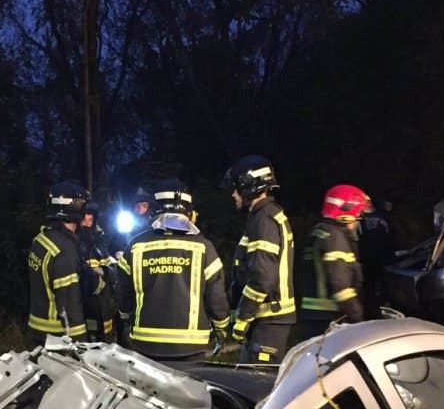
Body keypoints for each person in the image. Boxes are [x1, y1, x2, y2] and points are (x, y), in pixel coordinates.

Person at [114, 179, 230, 362]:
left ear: (155, 208)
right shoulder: (204, 247)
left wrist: (127, 318)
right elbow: (217, 297)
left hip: (146, 342)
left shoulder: (135, 246)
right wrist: (221, 328)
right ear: (189, 211)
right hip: (191, 345)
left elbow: (123, 294)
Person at [225, 155, 296, 363]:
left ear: (250, 185)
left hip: (268, 319)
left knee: (258, 387)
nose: (233, 194)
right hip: (269, 318)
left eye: (236, 187)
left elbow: (262, 277)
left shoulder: (263, 219)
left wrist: (243, 317)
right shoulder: (265, 215)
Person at [296, 184, 371, 343]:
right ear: (346, 211)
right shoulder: (335, 237)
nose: (358, 220)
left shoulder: (321, 231)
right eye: (358, 214)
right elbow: (340, 286)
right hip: (330, 319)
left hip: (316, 318)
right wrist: (359, 319)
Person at [27, 182, 89, 343]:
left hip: (37, 329)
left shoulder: (41, 239)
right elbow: (69, 304)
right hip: (57, 337)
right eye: (82, 204)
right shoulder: (64, 250)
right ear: (75, 208)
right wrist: (81, 343)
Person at [78, 203, 117, 342]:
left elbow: (114, 273)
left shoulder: (99, 245)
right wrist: (95, 277)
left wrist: (104, 271)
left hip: (104, 311)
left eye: (91, 220)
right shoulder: (74, 245)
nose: (88, 224)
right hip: (85, 311)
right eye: (84, 220)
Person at [357, 197, 393, 319]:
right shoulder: (360, 219)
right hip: (368, 259)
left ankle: (381, 310)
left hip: (379, 258)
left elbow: (389, 237)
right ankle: (373, 312)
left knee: (380, 286)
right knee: (369, 287)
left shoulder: (381, 217)